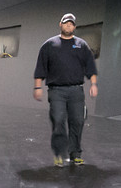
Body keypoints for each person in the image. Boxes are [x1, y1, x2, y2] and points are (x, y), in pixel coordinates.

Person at [32, 14, 98, 166]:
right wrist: (37, 86)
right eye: (66, 23)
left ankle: (75, 154)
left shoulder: (81, 45)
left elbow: (90, 66)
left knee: (78, 121)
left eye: (71, 24)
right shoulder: (49, 45)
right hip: (57, 91)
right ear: (60, 24)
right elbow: (41, 67)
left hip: (76, 91)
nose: (69, 25)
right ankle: (60, 154)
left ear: (74, 27)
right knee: (58, 120)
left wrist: (93, 84)